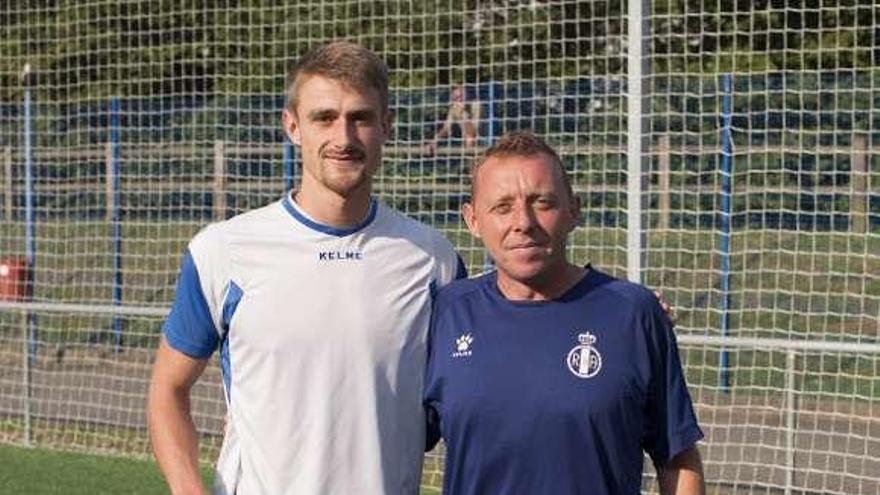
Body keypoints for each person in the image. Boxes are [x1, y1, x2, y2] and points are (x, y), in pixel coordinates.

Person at [147, 41, 466, 495]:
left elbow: (454, 404)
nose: (344, 137)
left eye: (360, 118)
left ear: (386, 127)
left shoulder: (434, 260)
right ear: (292, 126)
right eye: (324, 118)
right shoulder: (223, 251)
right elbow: (167, 390)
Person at [423, 131, 705, 495]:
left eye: (542, 202)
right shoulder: (446, 313)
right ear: (472, 220)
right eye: (502, 206)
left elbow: (677, 458)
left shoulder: (633, 313)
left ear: (574, 209)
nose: (523, 221)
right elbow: (396, 435)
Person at [423, 84, 480, 155]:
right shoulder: (454, 108)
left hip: (482, 140)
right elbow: (446, 129)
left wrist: (462, 115)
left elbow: (473, 132)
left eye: (461, 96)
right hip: (466, 140)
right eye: (456, 98)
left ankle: (470, 156)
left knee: (469, 137)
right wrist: (434, 141)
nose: (459, 100)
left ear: (466, 95)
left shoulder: (476, 105)